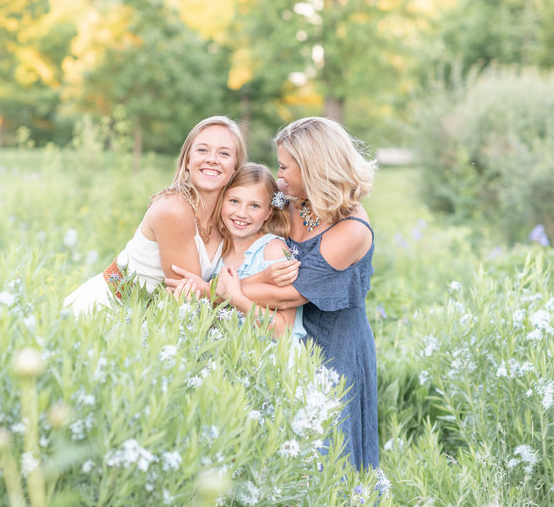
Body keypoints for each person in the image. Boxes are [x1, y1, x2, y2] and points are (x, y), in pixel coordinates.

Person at [221, 117, 379, 470]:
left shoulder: (350, 228)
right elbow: (239, 213)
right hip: (278, 334)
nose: (279, 177)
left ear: (314, 169)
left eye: (285, 167)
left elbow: (290, 294)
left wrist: (226, 288)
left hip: (333, 346)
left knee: (326, 449)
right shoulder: (290, 201)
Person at [63, 115, 248, 316]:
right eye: (202, 150)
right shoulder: (173, 209)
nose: (212, 159)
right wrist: (237, 296)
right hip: (106, 313)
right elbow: (189, 297)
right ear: (187, 161)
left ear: (235, 168)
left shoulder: (231, 218)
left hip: (150, 325)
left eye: (224, 153)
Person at [167, 162, 302, 340]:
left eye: (254, 206)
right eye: (234, 201)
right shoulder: (217, 246)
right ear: (221, 200)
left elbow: (283, 331)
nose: (241, 213)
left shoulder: (273, 251)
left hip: (267, 355)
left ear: (269, 212)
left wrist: (236, 299)